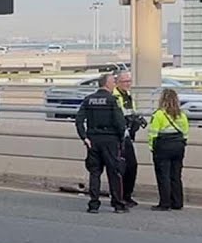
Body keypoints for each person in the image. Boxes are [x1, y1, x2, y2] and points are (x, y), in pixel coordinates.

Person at [75, 72, 128, 214]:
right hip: (110, 140)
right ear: (106, 84)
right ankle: (118, 204)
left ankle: (94, 204)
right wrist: (121, 138)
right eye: (113, 82)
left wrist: (84, 137)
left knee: (95, 173)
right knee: (114, 172)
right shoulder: (112, 100)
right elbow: (120, 122)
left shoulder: (88, 99)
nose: (115, 84)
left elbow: (79, 120)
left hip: (93, 140)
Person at [147, 88, 189, 211]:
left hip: (163, 146)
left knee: (163, 175)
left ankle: (165, 203)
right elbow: (185, 133)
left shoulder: (159, 114)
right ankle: (177, 202)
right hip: (178, 146)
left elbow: (153, 133)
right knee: (176, 175)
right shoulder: (181, 115)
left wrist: (152, 148)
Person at [112, 70, 144, 207]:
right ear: (117, 82)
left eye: (129, 81)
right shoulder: (115, 96)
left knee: (132, 166)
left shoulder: (127, 95)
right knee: (123, 167)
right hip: (119, 137)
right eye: (125, 81)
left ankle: (127, 195)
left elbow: (130, 112)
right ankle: (121, 196)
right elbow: (117, 116)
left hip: (128, 135)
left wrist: (136, 119)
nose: (128, 84)